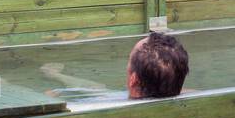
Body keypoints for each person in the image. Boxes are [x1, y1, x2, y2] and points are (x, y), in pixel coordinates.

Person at [40, 30, 190, 100]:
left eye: (129, 60)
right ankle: (55, 74)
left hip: (119, 98)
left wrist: (46, 99)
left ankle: (53, 74)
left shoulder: (104, 105)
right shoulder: (179, 96)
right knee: (97, 89)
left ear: (133, 79)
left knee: (97, 91)